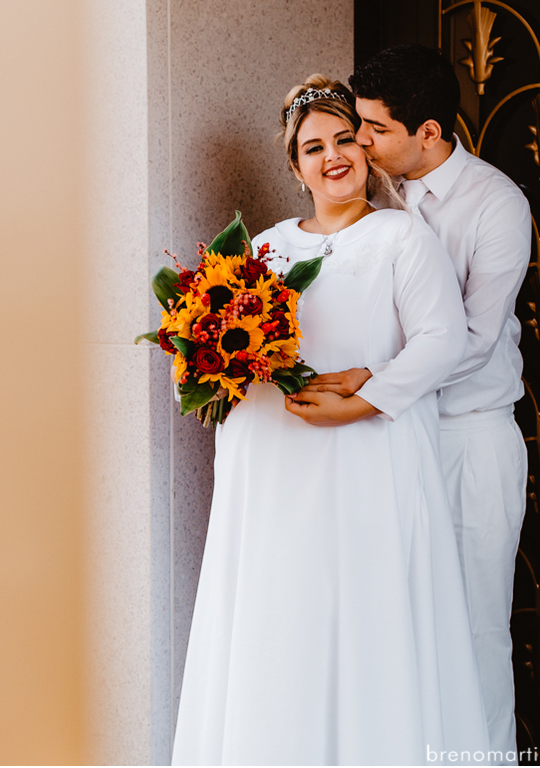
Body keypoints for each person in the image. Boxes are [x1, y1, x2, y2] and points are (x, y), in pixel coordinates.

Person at [171, 75, 490, 765]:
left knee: (360, 610)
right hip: (276, 469)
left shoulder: (403, 236)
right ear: (294, 167)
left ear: (368, 149)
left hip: (366, 460)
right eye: (313, 147)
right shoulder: (267, 245)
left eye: (346, 138)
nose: (333, 155)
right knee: (283, 612)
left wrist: (363, 398)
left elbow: (443, 340)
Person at [300, 45, 531, 762]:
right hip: (389, 439)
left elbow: (469, 337)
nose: (357, 142)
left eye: (373, 129)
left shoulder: (495, 205)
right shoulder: (374, 197)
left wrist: (365, 385)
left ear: (428, 132)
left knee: (473, 627)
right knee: (399, 621)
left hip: (467, 438)